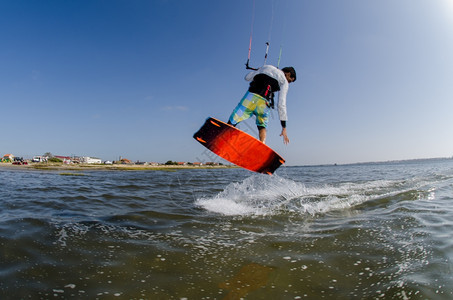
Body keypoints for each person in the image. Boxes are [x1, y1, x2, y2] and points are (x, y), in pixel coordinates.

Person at [228, 65, 296, 145]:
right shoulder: (284, 81)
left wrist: (259, 70)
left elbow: (247, 77)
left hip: (251, 98)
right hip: (264, 103)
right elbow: (281, 103)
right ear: (288, 74)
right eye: (290, 80)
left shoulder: (267, 67)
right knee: (262, 126)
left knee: (235, 118)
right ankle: (262, 144)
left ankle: (226, 132)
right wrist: (283, 126)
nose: (289, 82)